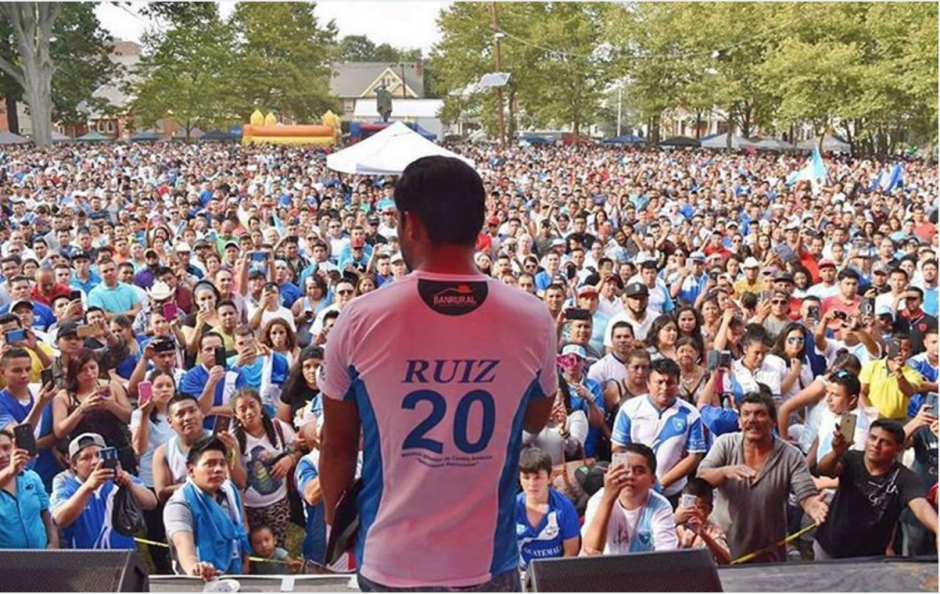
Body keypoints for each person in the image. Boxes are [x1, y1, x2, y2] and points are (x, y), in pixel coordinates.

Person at [321, 156, 557, 591]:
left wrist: (338, 532)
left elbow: (336, 447)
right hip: (486, 560)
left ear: (409, 224)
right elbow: (536, 419)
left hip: (390, 559)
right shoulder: (533, 317)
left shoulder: (358, 319)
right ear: (478, 223)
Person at [697, 392, 828, 563]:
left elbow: (805, 493)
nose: (752, 419)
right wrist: (724, 472)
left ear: (773, 422)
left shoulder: (791, 455)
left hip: (768, 553)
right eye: (746, 414)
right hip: (723, 549)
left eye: (759, 414)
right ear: (739, 422)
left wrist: (813, 506)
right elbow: (701, 477)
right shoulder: (725, 443)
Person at [814, 420, 938, 559]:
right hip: (828, 547)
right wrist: (836, 453)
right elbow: (824, 470)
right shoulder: (852, 459)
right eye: (872, 438)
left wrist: (937, 527)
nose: (875, 445)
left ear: (898, 448)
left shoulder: (905, 478)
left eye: (884, 442)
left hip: (869, 557)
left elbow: (920, 506)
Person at [612, 358, 706, 506]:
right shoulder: (629, 408)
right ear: (648, 383)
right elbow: (618, 448)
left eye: (670, 382)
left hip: (673, 493)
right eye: (659, 382)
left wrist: (661, 484)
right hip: (634, 490)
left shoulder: (691, 414)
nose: (664, 387)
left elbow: (694, 457)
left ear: (677, 383)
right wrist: (629, 480)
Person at [51, 433, 157, 549]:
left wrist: (130, 485)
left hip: (124, 558)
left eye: (98, 455)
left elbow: (151, 503)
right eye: (86, 458)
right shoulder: (65, 482)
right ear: (74, 465)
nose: (95, 462)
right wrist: (88, 487)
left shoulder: (117, 477)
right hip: (84, 562)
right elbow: (59, 519)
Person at [163, 436, 250, 578]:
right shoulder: (179, 505)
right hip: (200, 582)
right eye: (210, 464)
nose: (218, 469)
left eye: (222, 464)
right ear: (191, 471)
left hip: (235, 575)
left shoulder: (229, 490)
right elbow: (183, 544)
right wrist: (195, 567)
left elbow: (240, 529)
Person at [230, 387, 299, 548]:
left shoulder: (279, 428)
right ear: (236, 414)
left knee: (277, 547)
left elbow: (297, 449)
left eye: (252, 405)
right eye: (242, 409)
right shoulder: (233, 440)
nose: (249, 412)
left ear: (260, 406)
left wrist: (289, 459)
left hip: (278, 503)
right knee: (253, 549)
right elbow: (237, 481)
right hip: (249, 508)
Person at [581, 443, 678, 555]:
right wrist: (608, 498)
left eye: (639, 471)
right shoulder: (599, 499)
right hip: (606, 568)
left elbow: (667, 556)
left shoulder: (660, 506)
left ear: (652, 480)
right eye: (624, 470)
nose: (630, 476)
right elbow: (590, 552)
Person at [515, 447, 580, 570]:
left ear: (550, 478)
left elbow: (571, 553)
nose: (532, 484)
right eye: (526, 477)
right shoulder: (512, 508)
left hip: (555, 576)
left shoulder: (565, 508)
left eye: (537, 477)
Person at [0, 428, 58, 549]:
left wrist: (53, 542)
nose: (2, 455)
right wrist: (11, 471)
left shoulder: (32, 477)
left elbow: (45, 512)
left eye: (6, 448)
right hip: (5, 563)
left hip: (40, 559)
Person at [673, 478, 731, 564]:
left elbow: (727, 561)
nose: (694, 511)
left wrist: (704, 535)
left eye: (701, 508)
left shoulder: (713, 532)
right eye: (690, 506)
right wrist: (674, 521)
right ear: (680, 503)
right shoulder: (668, 524)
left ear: (710, 509)